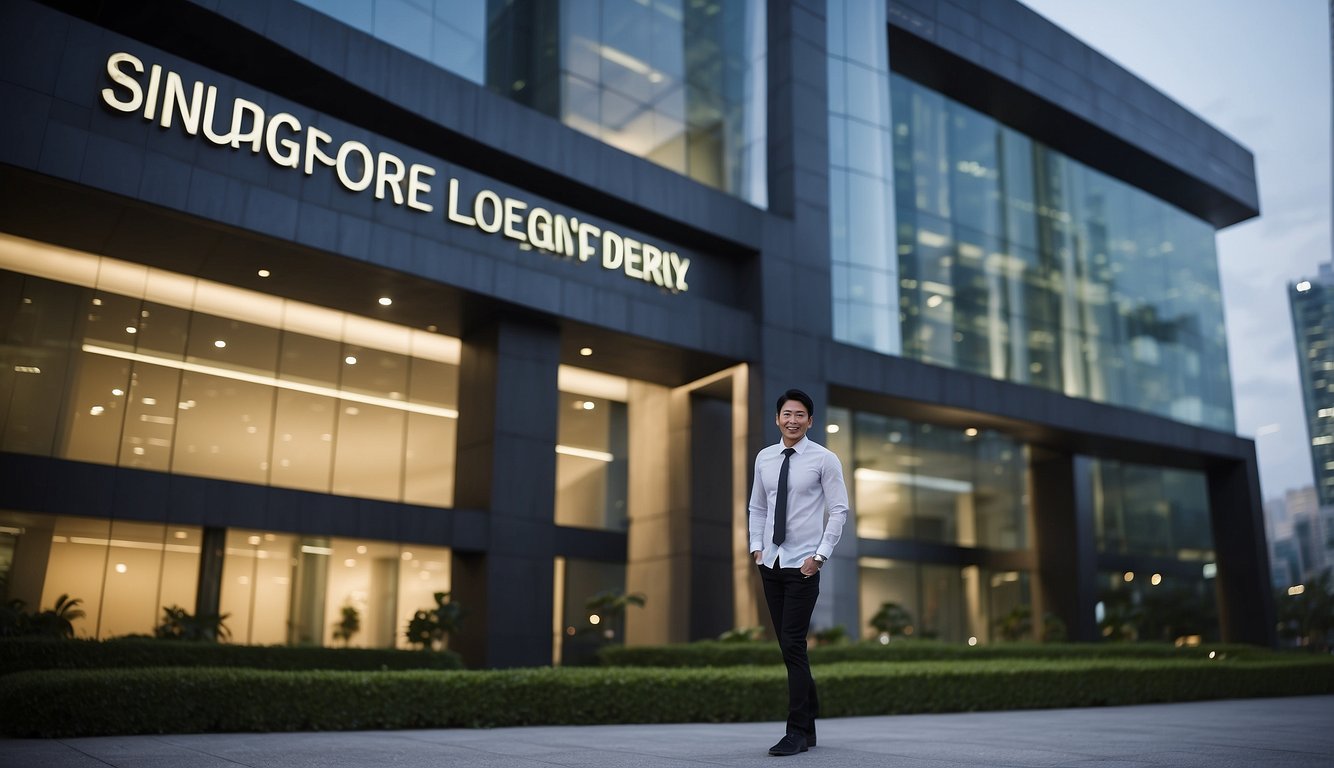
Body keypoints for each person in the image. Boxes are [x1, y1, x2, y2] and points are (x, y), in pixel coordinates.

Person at [748, 388, 849, 756]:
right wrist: (756, 547)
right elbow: (757, 507)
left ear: (810, 420)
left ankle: (796, 732)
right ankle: (809, 724)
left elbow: (839, 510)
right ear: (778, 418)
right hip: (771, 562)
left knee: (792, 644)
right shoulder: (765, 458)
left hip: (804, 565)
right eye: (787, 414)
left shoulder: (824, 459)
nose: (793, 420)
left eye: (800, 415)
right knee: (790, 647)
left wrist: (819, 556)